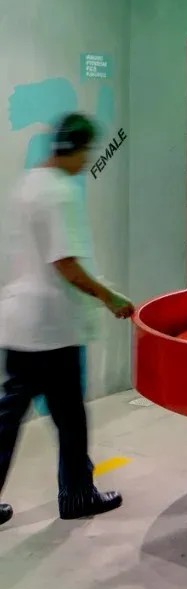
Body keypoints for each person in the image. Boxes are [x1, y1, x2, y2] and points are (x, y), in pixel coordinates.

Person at [0, 112, 135, 526]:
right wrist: (110, 297)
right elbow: (67, 265)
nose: (87, 160)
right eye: (86, 151)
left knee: (10, 417)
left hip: (20, 324)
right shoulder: (60, 191)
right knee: (70, 419)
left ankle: (77, 492)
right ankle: (77, 496)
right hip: (51, 329)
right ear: (73, 149)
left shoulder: (29, 184)